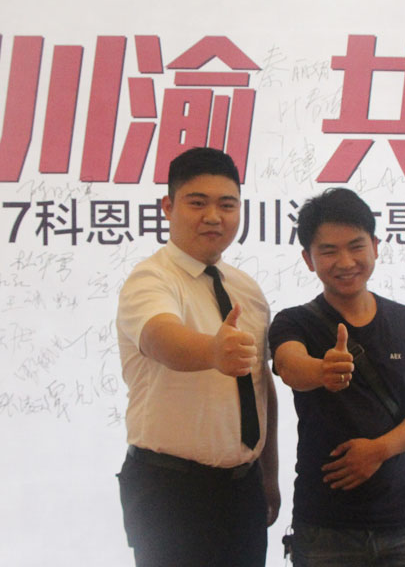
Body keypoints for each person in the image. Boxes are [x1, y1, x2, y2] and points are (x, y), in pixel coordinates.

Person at [116, 147, 280, 567]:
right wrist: (212, 351)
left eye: (227, 205)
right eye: (197, 203)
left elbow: (260, 387)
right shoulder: (150, 278)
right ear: (168, 207)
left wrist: (269, 473)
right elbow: (160, 338)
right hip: (170, 490)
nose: (213, 217)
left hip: (243, 488)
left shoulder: (246, 290)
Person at [268, 188, 405, 566]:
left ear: (375, 247)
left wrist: (378, 450)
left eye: (356, 246)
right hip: (324, 527)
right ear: (308, 259)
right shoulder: (293, 321)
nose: (345, 261)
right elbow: (289, 365)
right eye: (329, 251)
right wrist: (322, 370)